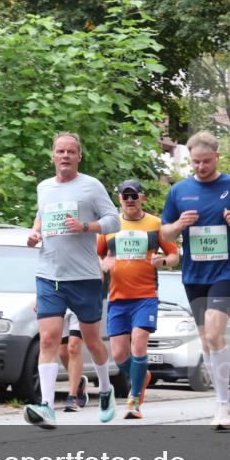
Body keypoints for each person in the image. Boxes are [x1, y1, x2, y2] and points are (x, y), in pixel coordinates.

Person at [161, 131, 230, 430]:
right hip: (194, 274)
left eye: (206, 161)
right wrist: (180, 224)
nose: (201, 167)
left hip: (227, 270)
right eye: (195, 162)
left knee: (216, 330)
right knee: (207, 340)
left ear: (217, 157)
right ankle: (226, 399)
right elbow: (164, 234)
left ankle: (221, 404)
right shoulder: (179, 191)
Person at [23, 132, 121, 429]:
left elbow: (113, 220)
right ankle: (47, 406)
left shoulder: (91, 186)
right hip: (49, 274)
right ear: (53, 156)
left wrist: (86, 226)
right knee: (50, 339)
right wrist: (34, 232)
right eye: (60, 151)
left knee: (91, 341)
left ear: (79, 156)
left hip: (85, 276)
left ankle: (105, 389)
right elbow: (41, 217)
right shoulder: (44, 187)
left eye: (70, 151)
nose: (64, 156)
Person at [98, 179, 179, 419]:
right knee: (120, 354)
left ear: (142, 198)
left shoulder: (155, 224)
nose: (130, 200)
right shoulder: (110, 224)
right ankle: (142, 376)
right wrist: (102, 264)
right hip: (117, 298)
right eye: (126, 196)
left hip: (145, 296)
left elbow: (174, 254)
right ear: (119, 199)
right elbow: (96, 257)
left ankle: (134, 400)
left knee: (139, 343)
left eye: (134, 196)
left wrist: (163, 261)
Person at [59, 311, 89, 412]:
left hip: (78, 302)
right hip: (61, 304)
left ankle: (72, 397)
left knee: (73, 347)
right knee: (62, 352)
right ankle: (78, 382)